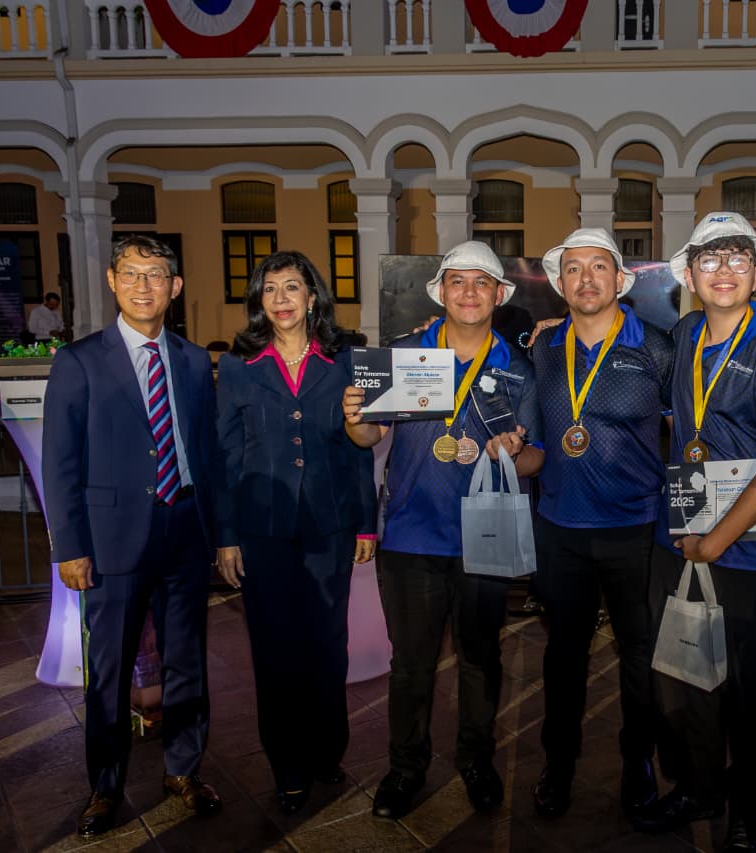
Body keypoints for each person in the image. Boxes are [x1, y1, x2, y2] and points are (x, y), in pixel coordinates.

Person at [342, 241, 544, 820]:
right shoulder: (404, 354)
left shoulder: (517, 367)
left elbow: (538, 461)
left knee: (481, 659)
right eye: (458, 281)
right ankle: (405, 769)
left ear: (499, 294)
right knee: (411, 664)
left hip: (485, 535)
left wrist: (515, 452)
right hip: (411, 535)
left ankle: (476, 761)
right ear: (441, 292)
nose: (469, 292)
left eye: (482, 283)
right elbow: (370, 437)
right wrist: (355, 419)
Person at [634, 212, 756, 853]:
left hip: (748, 548)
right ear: (689, 275)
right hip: (681, 531)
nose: (724, 270)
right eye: (711, 259)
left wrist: (716, 541)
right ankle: (700, 787)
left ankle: (749, 806)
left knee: (747, 689)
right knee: (683, 675)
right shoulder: (683, 335)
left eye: (738, 258)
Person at [41, 235, 221, 838]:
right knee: (110, 670)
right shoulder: (79, 361)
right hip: (111, 540)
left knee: (187, 661)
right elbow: (60, 462)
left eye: (156, 274)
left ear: (176, 287)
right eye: (131, 274)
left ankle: (184, 770)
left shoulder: (193, 361)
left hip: (185, 529)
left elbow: (207, 452)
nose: (144, 286)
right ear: (113, 283)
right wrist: (71, 547)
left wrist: (219, 533)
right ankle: (105, 786)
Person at [214, 251, 377, 814]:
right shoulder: (239, 365)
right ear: (258, 301)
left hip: (331, 524)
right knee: (275, 648)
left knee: (328, 644)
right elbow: (226, 454)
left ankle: (328, 750)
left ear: (312, 298)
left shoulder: (345, 361)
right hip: (262, 529)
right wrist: (226, 535)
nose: (281, 298)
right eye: (270, 288)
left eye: (291, 287)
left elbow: (359, 451)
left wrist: (367, 523)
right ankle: (287, 764)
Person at [528, 228, 673, 818]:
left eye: (598, 267)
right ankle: (558, 763)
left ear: (620, 280)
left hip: (636, 528)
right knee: (563, 654)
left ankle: (638, 761)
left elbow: (689, 427)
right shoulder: (541, 346)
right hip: (559, 526)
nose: (585, 278)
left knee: (640, 657)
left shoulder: (657, 349)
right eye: (573, 269)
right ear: (560, 284)